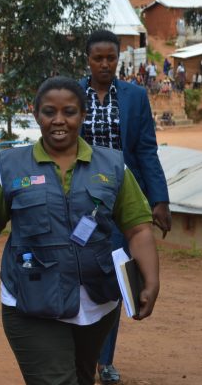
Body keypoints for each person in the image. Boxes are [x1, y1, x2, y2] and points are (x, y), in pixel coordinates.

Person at [0, 76, 160, 385]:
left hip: (97, 306)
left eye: (70, 111)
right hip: (30, 301)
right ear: (36, 113)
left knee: (80, 377)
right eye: (49, 111)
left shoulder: (113, 166)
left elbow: (138, 229)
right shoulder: (9, 167)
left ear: (84, 114)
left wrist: (151, 280)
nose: (59, 120)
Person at [78, 30, 171, 385]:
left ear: (119, 59)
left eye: (111, 58)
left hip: (122, 202)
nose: (105, 64)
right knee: (79, 275)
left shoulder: (133, 97)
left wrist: (158, 199)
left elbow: (146, 149)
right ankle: (79, 355)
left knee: (115, 277)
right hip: (80, 200)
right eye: (98, 58)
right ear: (87, 59)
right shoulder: (73, 93)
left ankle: (105, 361)